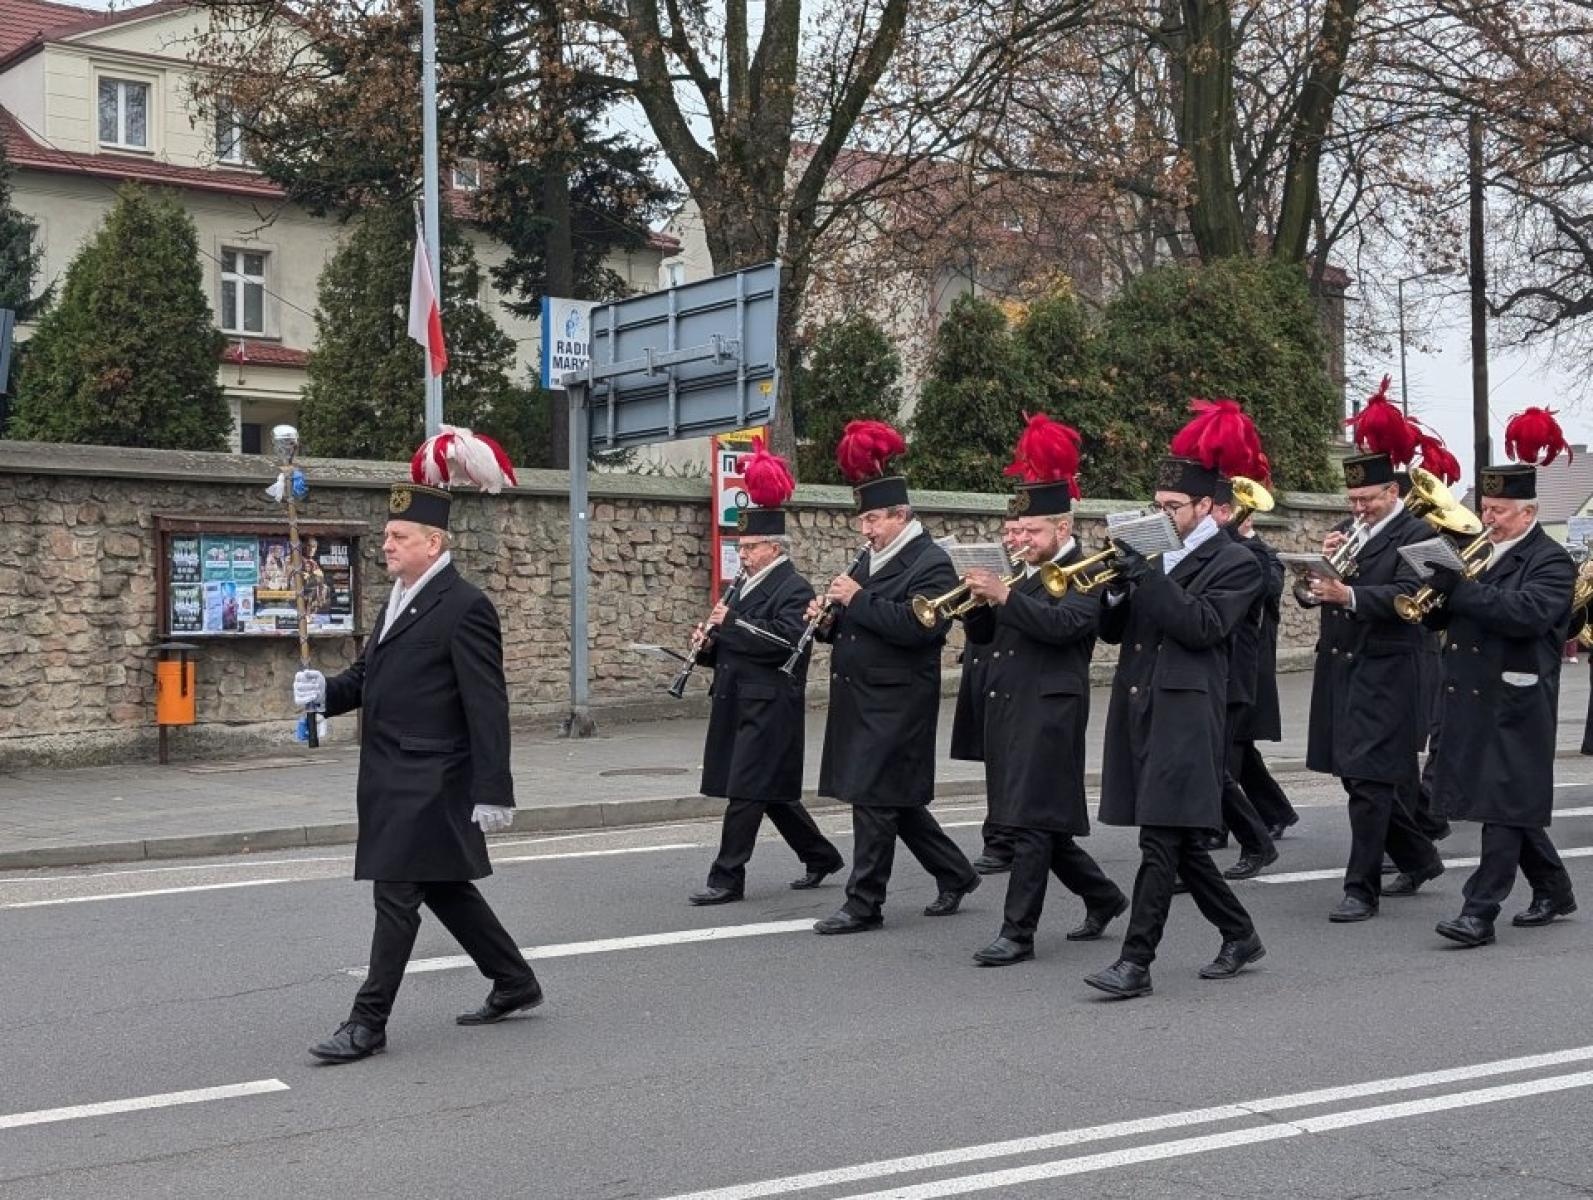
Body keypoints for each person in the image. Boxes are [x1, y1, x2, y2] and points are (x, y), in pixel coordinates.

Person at [292, 478, 541, 1063]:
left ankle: (367, 1022)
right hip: (390, 774)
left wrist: (493, 787)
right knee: (444, 886)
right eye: (386, 535)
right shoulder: (398, 598)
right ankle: (514, 980)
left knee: (397, 892)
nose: (387, 544)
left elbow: (487, 703)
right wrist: (322, 692)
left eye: (399, 536)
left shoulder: (465, 606)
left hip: (432, 778)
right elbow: (366, 680)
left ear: (435, 542)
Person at [1084, 402, 1267, 1000]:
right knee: (1180, 842)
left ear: (1209, 508)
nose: (1162, 515)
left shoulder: (1237, 563)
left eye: (1172, 508)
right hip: (1141, 707)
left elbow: (1204, 626)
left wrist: (1147, 578)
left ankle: (1135, 963)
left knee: (1159, 842)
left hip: (1189, 714)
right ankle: (1240, 933)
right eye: (1157, 506)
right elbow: (1116, 634)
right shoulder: (1159, 558)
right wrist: (1114, 592)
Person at [961, 415, 1127, 966]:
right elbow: (989, 638)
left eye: (1031, 532)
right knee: (1037, 822)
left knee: (1031, 823)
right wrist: (978, 608)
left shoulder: (1086, 570)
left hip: (1052, 709)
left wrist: (1006, 600)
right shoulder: (1023, 572)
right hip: (1010, 706)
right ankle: (1103, 896)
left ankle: (1018, 932)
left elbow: (1069, 628)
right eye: (1019, 533)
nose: (1021, 541)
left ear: (1062, 525)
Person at [811, 419, 980, 934]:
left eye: (873, 519)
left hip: (898, 699)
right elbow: (856, 619)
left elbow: (918, 628)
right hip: (863, 696)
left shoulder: (931, 561)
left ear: (900, 515)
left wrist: (857, 600)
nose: (864, 529)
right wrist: (826, 618)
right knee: (891, 800)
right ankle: (955, 873)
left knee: (875, 800)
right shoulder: (872, 556)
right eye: (863, 519)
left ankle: (864, 903)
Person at [1423, 419, 1578, 946]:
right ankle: (1554, 889)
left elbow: (1528, 614)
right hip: (1472, 691)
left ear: (1528, 512)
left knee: (1501, 803)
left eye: (1498, 512)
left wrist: (1460, 592)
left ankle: (1478, 912)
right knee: (1508, 800)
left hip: (1518, 695)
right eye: (1485, 510)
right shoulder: (1484, 556)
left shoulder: (1551, 561)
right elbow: (1461, 618)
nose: (1487, 520)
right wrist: (1435, 603)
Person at [1306, 385, 1445, 922]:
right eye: (1354, 501)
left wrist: (1353, 595)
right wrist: (1314, 581)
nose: (1358, 510)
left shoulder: (1420, 531)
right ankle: (1419, 854)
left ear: (1394, 492)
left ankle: (1360, 888)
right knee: (1355, 774)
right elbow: (1319, 591)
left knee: (1367, 782)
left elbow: (1418, 592)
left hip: (1391, 668)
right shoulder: (1346, 531)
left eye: (1368, 500)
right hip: (1343, 667)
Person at [688, 440, 845, 905]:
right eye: (741, 545)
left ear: (774, 547)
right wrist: (707, 648)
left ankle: (727, 877)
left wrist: (731, 625)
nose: (743, 553)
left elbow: (783, 645)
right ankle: (820, 856)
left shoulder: (793, 588)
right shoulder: (744, 586)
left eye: (750, 546)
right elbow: (737, 644)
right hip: (739, 696)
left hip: (770, 702)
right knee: (770, 792)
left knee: (746, 792)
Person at [1210, 476, 1279, 880]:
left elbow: (1265, 590)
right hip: (1209, 672)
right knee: (1210, 764)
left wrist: (1239, 537)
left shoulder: (1252, 554)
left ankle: (1256, 841)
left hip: (1235, 671)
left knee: (1218, 766)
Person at [953, 517, 1024, 876]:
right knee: (994, 758)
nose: (1012, 539)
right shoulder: (999, 566)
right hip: (984, 669)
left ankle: (1003, 839)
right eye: (1009, 532)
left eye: (1019, 531)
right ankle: (1001, 835)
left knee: (1009, 762)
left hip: (1016, 676)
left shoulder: (1036, 571)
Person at [1230, 513, 1297, 840]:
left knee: (1234, 746)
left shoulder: (1265, 553)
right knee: (1236, 747)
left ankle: (1254, 819)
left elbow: (1267, 587)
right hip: (1230, 665)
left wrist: (1240, 546)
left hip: (1252, 665)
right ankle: (1275, 812)